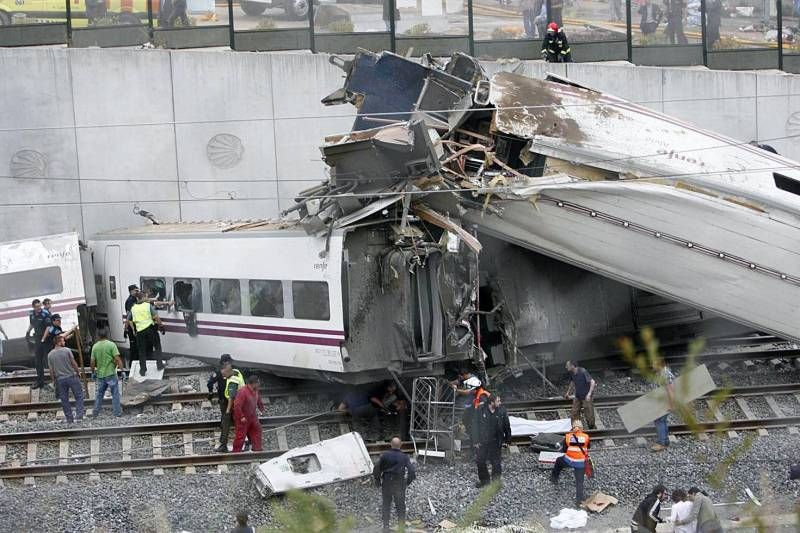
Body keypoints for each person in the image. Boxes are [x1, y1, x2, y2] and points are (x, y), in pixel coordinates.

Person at [373, 436, 416, 533]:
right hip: (399, 483)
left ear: (390, 445)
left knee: (386, 504)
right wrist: (407, 482)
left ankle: (386, 526)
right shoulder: (404, 457)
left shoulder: (384, 455)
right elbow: (412, 471)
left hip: (387, 482)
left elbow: (376, 468)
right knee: (400, 506)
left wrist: (377, 480)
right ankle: (401, 527)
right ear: (400, 445)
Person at [471, 394, 511, 487]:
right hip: (483, 440)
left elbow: (506, 425)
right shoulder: (480, 410)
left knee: (496, 462)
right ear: (491, 402)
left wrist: (507, 440)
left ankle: (496, 482)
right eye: (498, 401)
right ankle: (484, 481)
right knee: (480, 460)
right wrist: (475, 440)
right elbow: (475, 426)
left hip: (496, 440)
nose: (500, 403)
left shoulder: (501, 411)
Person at [550, 419, 590, 506]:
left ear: (573, 428)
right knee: (579, 481)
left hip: (569, 461)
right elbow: (588, 447)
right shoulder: (586, 437)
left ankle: (554, 479)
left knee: (558, 461)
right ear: (581, 428)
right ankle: (579, 500)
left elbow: (564, 450)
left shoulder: (568, 437)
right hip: (580, 463)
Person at [127, 291, 165, 376]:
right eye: (145, 297)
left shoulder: (133, 308)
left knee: (141, 351)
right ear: (143, 298)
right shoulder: (148, 306)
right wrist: (161, 326)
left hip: (140, 332)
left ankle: (143, 370)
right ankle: (159, 365)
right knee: (157, 346)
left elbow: (128, 320)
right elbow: (156, 317)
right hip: (150, 329)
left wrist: (130, 330)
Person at [48, 335, 85, 422]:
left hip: (60, 379)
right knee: (79, 396)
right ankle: (79, 415)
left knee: (64, 399)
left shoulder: (50, 355)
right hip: (71, 376)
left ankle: (69, 418)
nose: (64, 342)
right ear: (59, 342)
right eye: (63, 341)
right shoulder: (67, 350)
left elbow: (51, 370)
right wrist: (78, 372)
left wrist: (53, 380)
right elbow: (73, 363)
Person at [90, 329, 124, 418]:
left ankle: (95, 413)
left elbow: (92, 361)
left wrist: (93, 372)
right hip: (111, 374)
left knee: (99, 394)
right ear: (107, 335)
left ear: (98, 336)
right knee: (115, 394)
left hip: (100, 375)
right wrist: (122, 371)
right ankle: (117, 413)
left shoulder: (95, 347)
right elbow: (117, 359)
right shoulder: (111, 345)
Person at [216, 361, 245, 452]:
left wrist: (228, 410)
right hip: (243, 403)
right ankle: (248, 443)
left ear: (227, 370)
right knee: (242, 425)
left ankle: (224, 445)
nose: (223, 376)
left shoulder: (233, 380)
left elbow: (231, 397)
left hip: (236, 405)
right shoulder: (236, 371)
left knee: (226, 423)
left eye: (224, 373)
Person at [232, 375, 264, 453]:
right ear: (253, 383)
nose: (259, 384)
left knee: (257, 430)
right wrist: (241, 416)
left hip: (252, 416)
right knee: (241, 435)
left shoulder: (255, 390)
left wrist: (261, 408)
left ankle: (257, 449)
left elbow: (258, 400)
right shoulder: (243, 392)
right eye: (258, 382)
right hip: (243, 417)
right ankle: (236, 452)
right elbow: (237, 406)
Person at [651, 358, 675, 452]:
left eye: (654, 364)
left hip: (665, 402)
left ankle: (661, 443)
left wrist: (671, 404)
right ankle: (665, 441)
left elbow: (671, 390)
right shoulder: (660, 373)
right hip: (660, 401)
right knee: (661, 420)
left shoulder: (666, 374)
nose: (652, 365)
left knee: (659, 420)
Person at [565, 360, 597, 430]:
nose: (566, 367)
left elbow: (592, 382)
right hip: (578, 396)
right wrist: (568, 392)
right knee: (574, 412)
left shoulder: (582, 371)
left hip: (586, 396)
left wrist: (589, 394)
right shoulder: (572, 373)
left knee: (589, 414)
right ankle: (576, 427)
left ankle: (592, 428)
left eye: (567, 365)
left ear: (573, 366)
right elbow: (572, 382)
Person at [27, 299, 51, 389]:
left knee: (48, 360)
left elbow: (48, 327)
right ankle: (40, 381)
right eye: (37, 307)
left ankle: (56, 381)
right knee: (38, 361)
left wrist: (43, 339)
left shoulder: (45, 314)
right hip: (37, 338)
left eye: (40, 306)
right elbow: (32, 323)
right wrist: (27, 332)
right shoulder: (31, 314)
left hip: (46, 339)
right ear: (33, 307)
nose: (39, 308)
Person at [123, 284, 140, 368]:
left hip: (134, 326)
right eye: (135, 290)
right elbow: (129, 317)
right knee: (133, 347)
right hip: (132, 326)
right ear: (131, 291)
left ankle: (135, 364)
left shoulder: (134, 299)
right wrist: (132, 329)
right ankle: (132, 365)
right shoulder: (130, 301)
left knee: (136, 347)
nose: (137, 292)